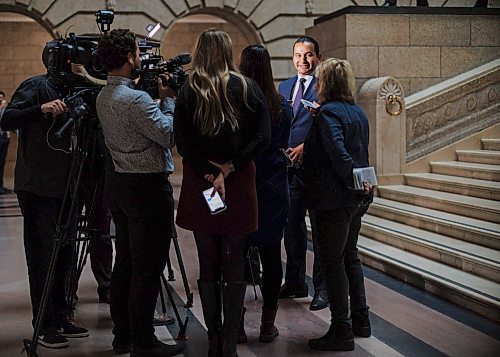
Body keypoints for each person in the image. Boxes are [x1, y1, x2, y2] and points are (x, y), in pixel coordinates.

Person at [174, 29, 271, 357]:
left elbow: (183, 141)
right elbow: (263, 137)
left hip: (203, 184)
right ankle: (230, 340)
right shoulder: (246, 86)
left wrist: (208, 171)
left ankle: (214, 337)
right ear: (228, 50)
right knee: (235, 263)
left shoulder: (189, 89)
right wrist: (230, 168)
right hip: (238, 182)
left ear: (200, 51)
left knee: (208, 262)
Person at [96, 29, 183, 357]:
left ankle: (123, 336)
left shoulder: (105, 96)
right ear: (130, 57)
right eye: (136, 52)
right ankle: (144, 341)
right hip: (146, 188)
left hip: (120, 184)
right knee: (148, 267)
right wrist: (171, 100)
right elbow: (169, 136)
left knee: (127, 263)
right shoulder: (135, 99)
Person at [1, 72, 89, 347]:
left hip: (67, 187)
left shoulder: (79, 88)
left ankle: (62, 316)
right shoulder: (36, 86)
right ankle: (45, 324)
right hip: (38, 186)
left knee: (65, 256)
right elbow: (7, 118)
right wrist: (40, 109)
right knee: (43, 258)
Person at [302, 58, 373, 352]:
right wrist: (360, 185)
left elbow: (339, 155)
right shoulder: (357, 111)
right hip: (356, 197)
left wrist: (349, 180)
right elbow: (360, 153)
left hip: (334, 199)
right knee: (350, 257)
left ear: (325, 83)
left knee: (332, 262)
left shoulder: (328, 114)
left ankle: (341, 330)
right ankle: (361, 321)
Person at [237, 44, 292, 343]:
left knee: (235, 257)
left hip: (243, 188)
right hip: (273, 190)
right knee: (272, 258)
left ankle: (236, 324)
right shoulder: (283, 106)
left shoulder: (238, 103)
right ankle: (267, 325)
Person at [278, 36, 328, 311]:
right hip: (290, 172)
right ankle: (295, 281)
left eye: (308, 55)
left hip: (317, 171)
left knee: (320, 233)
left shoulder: (326, 87)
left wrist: (305, 148)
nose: (303, 61)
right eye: (298, 55)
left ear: (318, 58)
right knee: (292, 228)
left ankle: (322, 288)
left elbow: (329, 128)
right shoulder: (284, 86)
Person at [0, 90, 12, 195]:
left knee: (2, 162)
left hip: (3, 137)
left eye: (2, 98)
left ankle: (1, 186)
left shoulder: (4, 108)